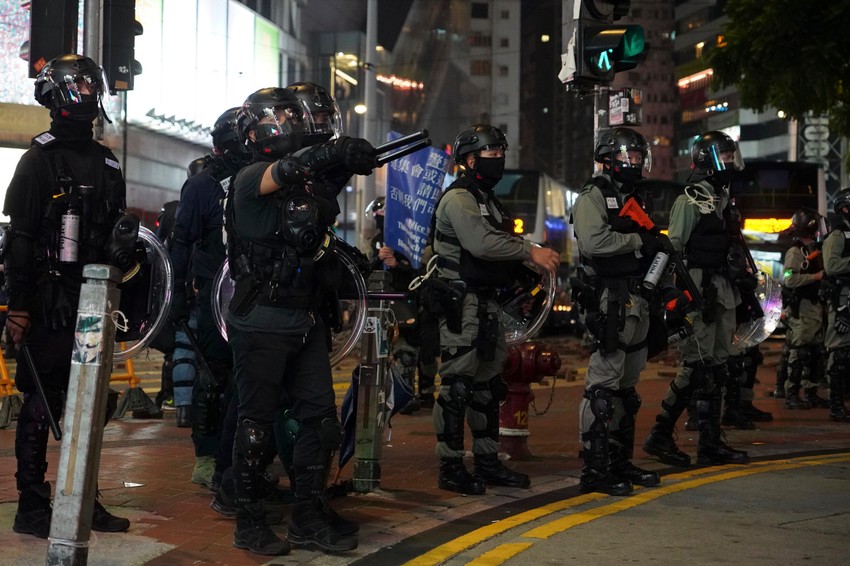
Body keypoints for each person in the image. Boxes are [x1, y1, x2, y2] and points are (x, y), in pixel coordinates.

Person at [225, 86, 376, 555]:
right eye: (284, 115)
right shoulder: (250, 178)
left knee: (321, 422)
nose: (293, 122)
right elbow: (286, 169)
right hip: (263, 320)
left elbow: (317, 210)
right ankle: (248, 523)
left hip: (305, 318)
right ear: (258, 128)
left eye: (296, 114)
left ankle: (307, 518)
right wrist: (335, 151)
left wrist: (345, 162)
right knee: (255, 426)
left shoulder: (305, 187)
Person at [3, 53, 131, 538]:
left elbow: (120, 233)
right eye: (73, 85)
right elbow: (20, 238)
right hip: (49, 300)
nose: (83, 94)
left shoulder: (107, 159)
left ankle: (82, 498)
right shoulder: (38, 159)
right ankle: (33, 506)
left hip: (96, 300)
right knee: (43, 402)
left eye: (88, 84)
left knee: (93, 402)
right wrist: (18, 308)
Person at [427, 124, 560, 495]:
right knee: (456, 387)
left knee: (487, 387)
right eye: (492, 153)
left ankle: (487, 461)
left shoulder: (486, 198)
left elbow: (499, 247)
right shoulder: (459, 198)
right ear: (470, 160)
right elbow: (481, 243)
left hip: (485, 303)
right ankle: (450, 466)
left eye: (501, 152)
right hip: (462, 302)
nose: (499, 159)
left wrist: (527, 280)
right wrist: (529, 250)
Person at [643, 130, 751, 467]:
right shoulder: (689, 200)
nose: (731, 163)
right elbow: (673, 248)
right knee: (698, 367)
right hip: (699, 290)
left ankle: (708, 443)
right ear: (710, 160)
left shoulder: (722, 200)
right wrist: (675, 295)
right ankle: (661, 435)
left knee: (717, 368)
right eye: (726, 156)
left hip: (722, 291)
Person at [571, 127, 666, 495]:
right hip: (610, 300)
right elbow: (595, 242)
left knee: (627, 391)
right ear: (609, 158)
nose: (638, 163)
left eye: (641, 157)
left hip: (637, 300)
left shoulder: (634, 197)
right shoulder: (592, 196)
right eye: (632, 157)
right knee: (602, 388)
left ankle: (618, 461)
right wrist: (638, 241)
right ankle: (594, 470)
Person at [168, 107, 253, 489]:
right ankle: (206, 455)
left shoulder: (258, 178)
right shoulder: (203, 185)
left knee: (248, 380)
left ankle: (241, 458)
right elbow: (182, 242)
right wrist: (177, 299)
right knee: (213, 378)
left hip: (252, 292)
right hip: (214, 295)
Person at [779, 207, 830, 409]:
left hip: (814, 307)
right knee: (799, 351)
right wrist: (815, 277)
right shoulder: (796, 251)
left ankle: (810, 392)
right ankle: (791, 393)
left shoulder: (811, 250)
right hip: (803, 308)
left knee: (814, 351)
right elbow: (789, 279)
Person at [820, 188, 850, 422]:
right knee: (839, 351)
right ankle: (836, 404)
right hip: (843, 300)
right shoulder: (838, 236)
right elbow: (831, 267)